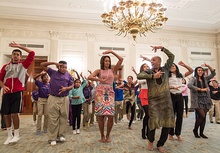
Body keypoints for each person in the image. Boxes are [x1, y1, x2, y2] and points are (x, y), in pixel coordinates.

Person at [137, 46, 175, 153]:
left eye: (154, 60)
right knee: (152, 121)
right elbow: (139, 76)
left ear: (159, 61)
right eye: (151, 60)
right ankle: (150, 140)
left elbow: (172, 56)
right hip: (153, 100)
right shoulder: (149, 72)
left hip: (166, 100)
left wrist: (162, 48)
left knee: (167, 122)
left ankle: (160, 144)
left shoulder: (166, 69)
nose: (152, 62)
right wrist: (153, 76)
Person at [0, 41, 35, 145]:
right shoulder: (5, 66)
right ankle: (9, 135)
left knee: (15, 113)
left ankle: (17, 135)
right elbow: (0, 79)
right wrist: (3, 86)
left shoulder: (23, 65)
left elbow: (32, 53)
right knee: (6, 115)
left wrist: (19, 46)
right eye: (14, 54)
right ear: (12, 56)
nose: (15, 56)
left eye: (17, 54)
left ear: (20, 57)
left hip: (17, 92)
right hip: (7, 93)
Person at [88, 50, 123, 143]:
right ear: (102, 62)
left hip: (110, 93)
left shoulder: (113, 70)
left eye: (109, 61)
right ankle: (102, 136)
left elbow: (121, 59)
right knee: (100, 116)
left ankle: (108, 135)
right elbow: (89, 77)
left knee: (110, 115)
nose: (107, 62)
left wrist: (111, 52)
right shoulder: (99, 71)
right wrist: (99, 79)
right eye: (106, 61)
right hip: (100, 93)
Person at [41, 60, 73, 146]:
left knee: (64, 117)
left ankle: (61, 135)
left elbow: (72, 85)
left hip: (64, 98)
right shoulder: (53, 72)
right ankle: (52, 138)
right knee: (53, 118)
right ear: (59, 66)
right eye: (62, 67)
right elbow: (42, 65)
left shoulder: (68, 75)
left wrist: (66, 88)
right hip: (53, 97)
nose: (64, 69)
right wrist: (53, 63)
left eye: (65, 67)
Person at [188, 63, 215, 139]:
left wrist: (208, 65)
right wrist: (200, 89)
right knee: (202, 115)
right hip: (197, 100)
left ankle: (201, 133)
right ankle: (195, 130)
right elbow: (189, 85)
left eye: (201, 70)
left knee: (204, 117)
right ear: (196, 71)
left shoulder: (205, 79)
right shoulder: (193, 78)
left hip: (206, 99)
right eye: (198, 70)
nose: (200, 71)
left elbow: (213, 73)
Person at [168, 61, 193, 142]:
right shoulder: (167, 76)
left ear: (176, 67)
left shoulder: (180, 75)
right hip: (171, 96)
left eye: (174, 66)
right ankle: (171, 133)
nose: (172, 67)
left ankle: (178, 133)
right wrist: (172, 87)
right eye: (171, 66)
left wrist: (184, 65)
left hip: (179, 96)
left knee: (179, 116)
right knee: (172, 116)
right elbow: (164, 87)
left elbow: (191, 71)